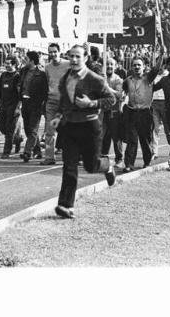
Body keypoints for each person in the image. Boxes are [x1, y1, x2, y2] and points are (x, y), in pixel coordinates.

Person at [50, 45, 116, 219]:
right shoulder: (66, 77)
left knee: (91, 165)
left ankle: (107, 166)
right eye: (71, 56)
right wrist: (58, 116)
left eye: (78, 56)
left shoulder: (95, 79)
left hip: (89, 127)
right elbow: (64, 101)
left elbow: (111, 99)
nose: (73, 60)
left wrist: (91, 104)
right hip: (70, 126)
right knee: (69, 167)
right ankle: (66, 205)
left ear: (85, 58)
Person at [121, 54, 164, 172]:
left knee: (145, 139)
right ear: (131, 67)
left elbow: (156, 69)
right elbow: (123, 91)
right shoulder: (127, 81)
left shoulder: (148, 78)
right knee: (132, 139)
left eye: (139, 65)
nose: (136, 67)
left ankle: (147, 161)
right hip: (132, 112)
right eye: (134, 65)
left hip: (145, 113)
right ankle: (129, 164)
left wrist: (162, 55)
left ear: (144, 67)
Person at [42, 43, 70, 165]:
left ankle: (69, 157)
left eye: (55, 51)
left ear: (59, 52)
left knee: (67, 130)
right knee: (49, 130)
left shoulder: (67, 65)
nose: (53, 54)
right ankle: (49, 157)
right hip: (51, 102)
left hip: (65, 103)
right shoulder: (47, 67)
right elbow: (47, 82)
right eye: (50, 52)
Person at [19, 50, 48, 163]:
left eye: (26, 59)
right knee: (27, 129)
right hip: (25, 103)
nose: (23, 60)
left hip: (36, 104)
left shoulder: (41, 74)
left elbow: (45, 91)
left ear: (31, 61)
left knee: (33, 130)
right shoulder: (23, 71)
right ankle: (38, 151)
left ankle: (27, 152)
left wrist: (43, 104)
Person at [101, 57, 124, 170]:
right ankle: (103, 159)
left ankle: (119, 159)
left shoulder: (118, 80)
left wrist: (107, 87)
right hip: (103, 112)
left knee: (116, 137)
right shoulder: (101, 78)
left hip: (114, 112)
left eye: (111, 64)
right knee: (102, 136)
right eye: (107, 64)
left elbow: (119, 95)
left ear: (115, 66)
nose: (109, 66)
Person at [0, 56, 22, 159]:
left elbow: (20, 93)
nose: (6, 65)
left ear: (14, 64)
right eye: (5, 63)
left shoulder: (17, 76)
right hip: (4, 105)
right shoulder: (3, 75)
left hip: (13, 105)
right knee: (2, 128)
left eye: (8, 63)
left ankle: (6, 151)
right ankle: (18, 139)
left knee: (9, 129)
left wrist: (18, 107)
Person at [151, 68, 169, 159]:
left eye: (162, 64)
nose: (160, 66)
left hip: (165, 103)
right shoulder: (153, 75)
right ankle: (154, 152)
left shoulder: (168, 75)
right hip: (154, 103)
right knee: (155, 128)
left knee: (168, 129)